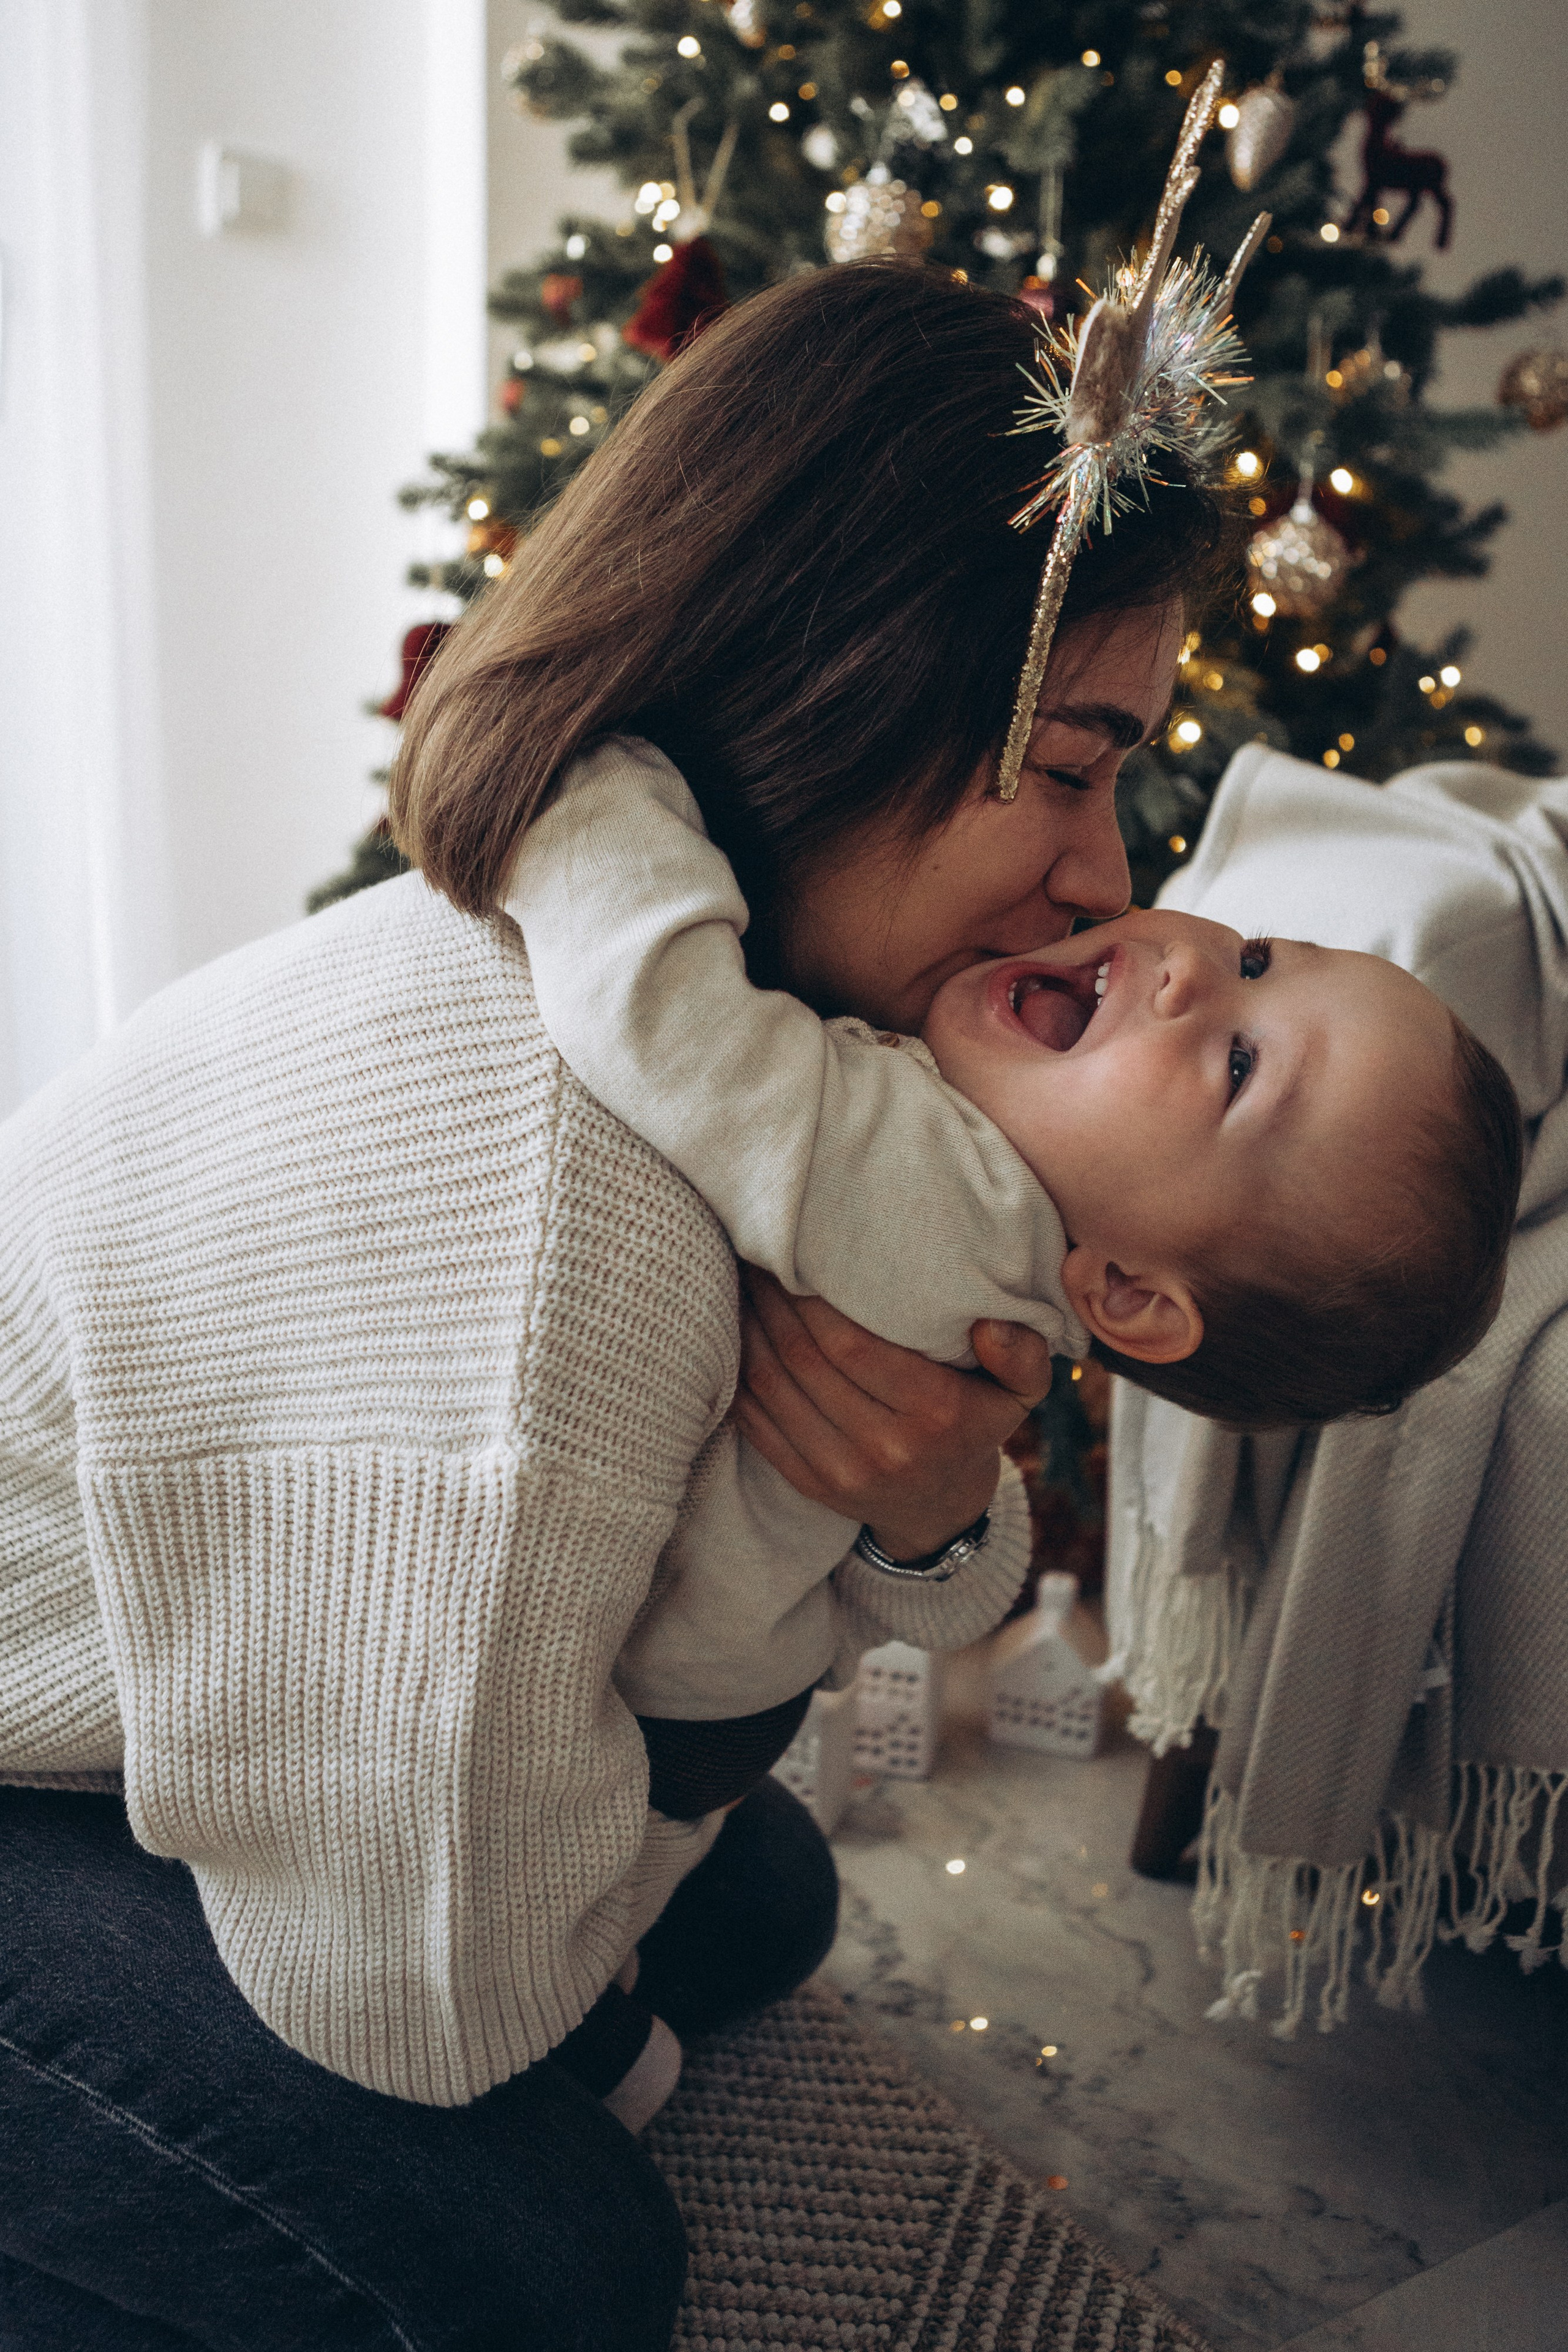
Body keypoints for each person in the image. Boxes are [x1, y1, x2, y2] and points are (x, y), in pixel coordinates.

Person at [4, 261, 1231, 2349]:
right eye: (1075, 761)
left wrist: (925, 1505)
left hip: (179, 1684)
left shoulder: (738, 1038)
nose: (1117, 878)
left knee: (760, 1900)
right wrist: (658, 1784)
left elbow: (871, 1563)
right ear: (847, 678)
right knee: (547, 2265)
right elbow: (423, 2001)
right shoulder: (557, 1216)